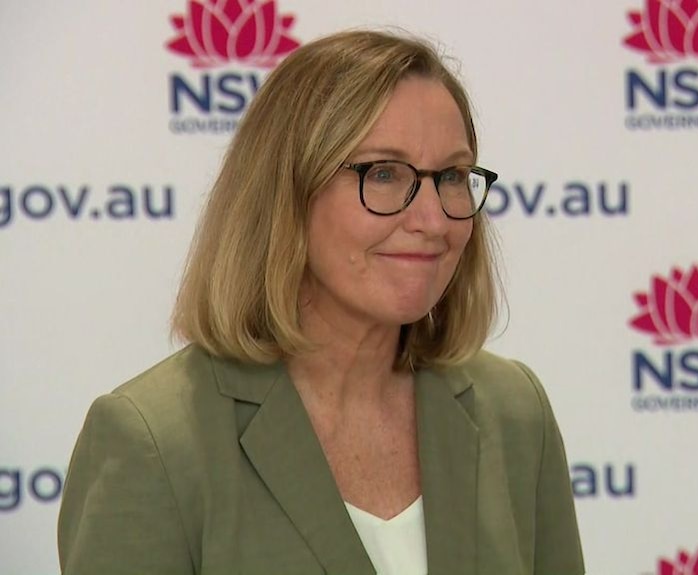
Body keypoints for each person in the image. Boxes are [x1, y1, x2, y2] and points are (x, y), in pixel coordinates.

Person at [57, 29, 585, 575]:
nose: (432, 220)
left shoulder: (515, 412)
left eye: (450, 176)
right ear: (286, 193)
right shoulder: (153, 442)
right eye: (384, 173)